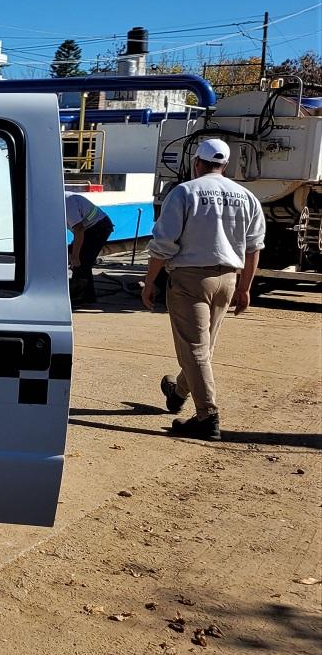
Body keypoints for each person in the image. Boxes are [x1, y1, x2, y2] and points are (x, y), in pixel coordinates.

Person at [140, 138, 265, 441]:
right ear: (224, 165)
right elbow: (253, 247)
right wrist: (245, 288)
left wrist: (150, 281)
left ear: (197, 163)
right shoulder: (246, 196)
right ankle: (178, 390)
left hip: (190, 279)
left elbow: (163, 244)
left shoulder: (185, 192)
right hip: (228, 279)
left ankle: (207, 416)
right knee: (203, 349)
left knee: (195, 349)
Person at [65, 190, 114, 305]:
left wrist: (75, 256)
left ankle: (83, 297)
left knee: (82, 261)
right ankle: (85, 295)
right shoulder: (60, 201)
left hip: (99, 227)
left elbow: (79, 229)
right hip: (90, 227)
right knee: (76, 256)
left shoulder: (67, 203)